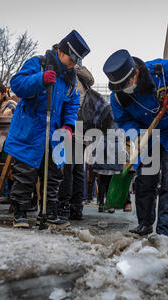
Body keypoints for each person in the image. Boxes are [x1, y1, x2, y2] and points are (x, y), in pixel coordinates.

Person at [103, 49, 168, 244]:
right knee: (145, 180)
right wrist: (139, 136)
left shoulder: (160, 70)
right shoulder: (117, 98)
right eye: (118, 86)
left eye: (126, 84)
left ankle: (166, 233)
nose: (123, 89)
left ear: (135, 73)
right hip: (149, 135)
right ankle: (145, 223)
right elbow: (124, 121)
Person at [5, 30, 90, 229]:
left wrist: (68, 125)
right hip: (30, 129)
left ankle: (50, 212)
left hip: (55, 134)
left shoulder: (71, 78)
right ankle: (20, 213)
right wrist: (40, 79)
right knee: (25, 174)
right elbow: (17, 85)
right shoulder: (38, 63)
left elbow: (72, 102)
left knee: (53, 175)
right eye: (72, 58)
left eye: (77, 60)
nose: (73, 63)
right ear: (61, 51)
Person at [58, 63, 95, 221]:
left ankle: (64, 206)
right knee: (78, 168)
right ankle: (76, 207)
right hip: (82, 125)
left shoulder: (69, 75)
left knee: (67, 167)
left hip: (71, 122)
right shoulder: (82, 76)